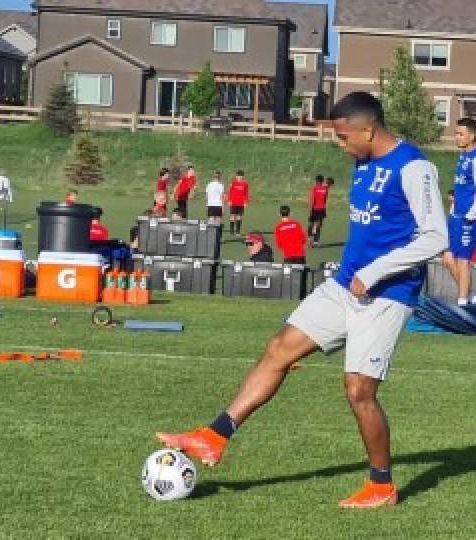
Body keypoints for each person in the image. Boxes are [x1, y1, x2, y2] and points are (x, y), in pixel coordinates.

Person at [155, 91, 449, 508]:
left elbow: (437, 237)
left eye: (345, 137)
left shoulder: (414, 167)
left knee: (358, 390)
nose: (340, 145)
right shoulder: (364, 164)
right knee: (279, 349)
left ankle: (381, 485)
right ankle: (214, 436)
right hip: (344, 286)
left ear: (369, 130)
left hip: (387, 295)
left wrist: (375, 272)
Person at [442, 118, 476, 306]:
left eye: (461, 134)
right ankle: (470, 297)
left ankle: (462, 302)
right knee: (448, 259)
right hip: (456, 215)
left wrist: (470, 216)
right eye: (456, 133)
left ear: (472, 136)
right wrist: (454, 210)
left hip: (470, 218)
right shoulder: (463, 156)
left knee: (463, 260)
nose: (457, 137)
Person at [307, 175, 329, 246]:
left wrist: (310, 210)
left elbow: (312, 199)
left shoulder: (314, 188)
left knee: (311, 224)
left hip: (315, 209)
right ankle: (315, 241)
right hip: (321, 209)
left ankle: (310, 238)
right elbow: (325, 199)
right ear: (322, 181)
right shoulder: (325, 189)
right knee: (318, 225)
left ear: (316, 181)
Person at [227, 170, 250, 236]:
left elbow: (246, 194)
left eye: (241, 176)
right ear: (236, 176)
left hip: (241, 203)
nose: (239, 177)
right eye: (238, 176)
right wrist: (229, 200)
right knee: (232, 216)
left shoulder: (245, 184)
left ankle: (237, 231)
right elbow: (230, 192)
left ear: (243, 176)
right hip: (233, 202)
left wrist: (246, 202)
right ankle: (231, 231)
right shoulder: (233, 183)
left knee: (239, 217)